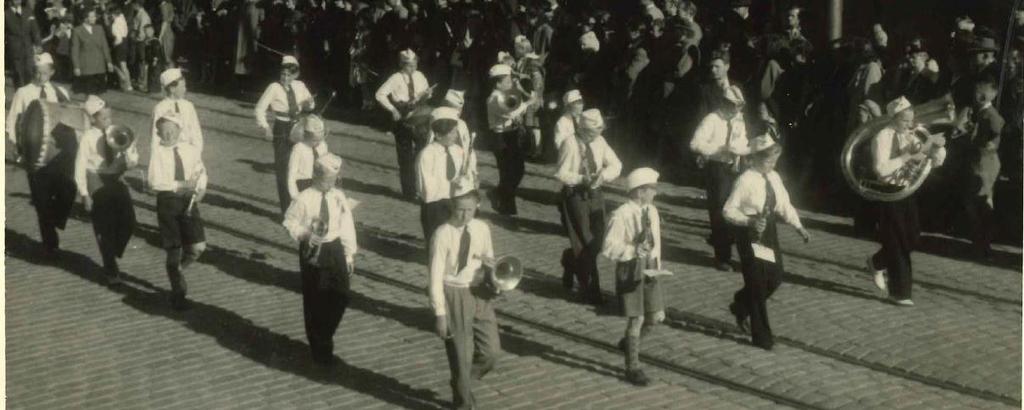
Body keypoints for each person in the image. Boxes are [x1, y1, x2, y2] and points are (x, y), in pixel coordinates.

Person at [724, 135, 810, 350]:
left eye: (774, 160)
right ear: (754, 159)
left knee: (774, 277)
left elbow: (784, 205)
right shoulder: (745, 180)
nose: (772, 165)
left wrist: (798, 226)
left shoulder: (774, 177)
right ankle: (762, 336)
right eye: (768, 161)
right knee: (756, 283)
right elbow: (728, 210)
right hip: (750, 234)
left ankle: (741, 304)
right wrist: (748, 221)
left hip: (768, 232)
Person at [865, 97, 946, 306]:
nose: (909, 126)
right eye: (904, 122)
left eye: (911, 121)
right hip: (888, 191)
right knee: (898, 240)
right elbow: (881, 170)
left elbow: (935, 162)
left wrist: (937, 149)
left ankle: (876, 262)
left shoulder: (911, 135)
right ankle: (900, 293)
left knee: (912, 237)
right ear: (893, 118)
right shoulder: (882, 137)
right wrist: (907, 157)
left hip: (908, 189)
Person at [428, 186, 500, 409]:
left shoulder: (481, 228)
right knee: (461, 354)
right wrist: (440, 314)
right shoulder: (442, 234)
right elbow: (434, 276)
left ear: (477, 207)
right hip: (455, 292)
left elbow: (489, 256)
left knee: (491, 353)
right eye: (460, 210)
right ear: (452, 206)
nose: (464, 216)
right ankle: (463, 401)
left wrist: (491, 269)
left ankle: (462, 381)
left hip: (479, 291)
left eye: (470, 210)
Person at [282, 153, 357, 366]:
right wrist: (306, 235)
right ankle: (319, 346)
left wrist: (349, 254)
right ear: (316, 176)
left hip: (334, 248)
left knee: (342, 295)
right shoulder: (304, 198)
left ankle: (324, 334)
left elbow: (346, 225)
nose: (332, 183)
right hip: (314, 248)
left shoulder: (338, 196)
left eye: (334, 179)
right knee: (316, 297)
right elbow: (289, 222)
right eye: (328, 179)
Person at [601, 167, 665, 386]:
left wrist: (656, 268)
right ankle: (633, 367)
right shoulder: (621, 215)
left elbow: (656, 243)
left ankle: (629, 343)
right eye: (652, 189)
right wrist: (631, 251)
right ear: (639, 192)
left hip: (649, 268)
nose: (655, 193)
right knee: (636, 318)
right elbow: (608, 247)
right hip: (630, 268)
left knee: (655, 316)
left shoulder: (652, 212)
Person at [555, 108, 621, 305]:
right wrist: (581, 178)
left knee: (598, 240)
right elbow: (561, 173)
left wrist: (604, 176)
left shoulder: (600, 141)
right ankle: (591, 290)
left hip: (596, 194)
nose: (596, 135)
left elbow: (617, 164)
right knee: (585, 241)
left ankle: (570, 259)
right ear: (582, 129)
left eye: (599, 131)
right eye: (592, 132)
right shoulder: (570, 143)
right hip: (576, 195)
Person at [74, 95, 139, 285]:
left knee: (129, 220)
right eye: (103, 118)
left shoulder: (115, 132)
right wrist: (84, 194)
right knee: (104, 226)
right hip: (96, 179)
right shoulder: (87, 137)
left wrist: (130, 157)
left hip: (115, 178)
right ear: (93, 119)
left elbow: (131, 160)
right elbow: (80, 166)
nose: (108, 122)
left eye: (109, 117)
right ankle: (110, 267)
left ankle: (113, 250)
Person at [149, 112, 208, 311]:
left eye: (172, 131)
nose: (168, 136)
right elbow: (154, 182)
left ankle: (177, 270)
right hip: (168, 202)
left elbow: (201, 171)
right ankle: (178, 292)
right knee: (174, 249)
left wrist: (201, 188)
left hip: (188, 201)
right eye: (164, 132)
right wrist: (182, 184)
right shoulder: (157, 152)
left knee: (198, 247)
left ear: (179, 131)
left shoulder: (190, 150)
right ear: (158, 133)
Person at [690, 85, 749, 271]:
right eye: (732, 105)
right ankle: (722, 256)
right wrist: (718, 150)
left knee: (737, 208)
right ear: (724, 103)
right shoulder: (712, 119)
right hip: (717, 169)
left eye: (739, 106)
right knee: (720, 211)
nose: (736, 110)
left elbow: (743, 140)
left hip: (735, 167)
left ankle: (730, 247)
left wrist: (739, 148)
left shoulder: (739, 120)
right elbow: (695, 143)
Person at [255, 55, 315, 215]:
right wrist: (265, 127)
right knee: (283, 170)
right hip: (281, 128)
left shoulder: (300, 86)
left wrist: (309, 103)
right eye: (283, 74)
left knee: (301, 167)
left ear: (296, 75)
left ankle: (301, 207)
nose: (285, 78)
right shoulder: (273, 87)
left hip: (299, 127)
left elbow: (312, 103)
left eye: (289, 75)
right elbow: (259, 108)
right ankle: (286, 210)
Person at [375, 49, 432, 200]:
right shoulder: (395, 78)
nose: (412, 69)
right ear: (401, 64)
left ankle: (422, 189)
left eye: (415, 65)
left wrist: (426, 94)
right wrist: (392, 109)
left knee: (422, 154)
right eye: (408, 66)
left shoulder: (420, 76)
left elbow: (427, 91)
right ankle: (409, 191)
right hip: (402, 117)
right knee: (405, 157)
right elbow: (379, 94)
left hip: (419, 117)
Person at [959, 78, 1004, 260]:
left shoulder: (991, 115)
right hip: (978, 163)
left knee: (981, 202)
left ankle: (982, 245)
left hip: (984, 164)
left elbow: (996, 129)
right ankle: (979, 244)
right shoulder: (981, 113)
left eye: (981, 92)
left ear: (988, 95)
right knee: (975, 203)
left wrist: (989, 142)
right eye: (977, 91)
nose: (977, 95)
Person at [416, 107, 472, 244]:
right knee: (436, 241)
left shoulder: (457, 151)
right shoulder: (427, 154)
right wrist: (450, 185)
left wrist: (464, 182)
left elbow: (463, 174)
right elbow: (427, 189)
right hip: (436, 205)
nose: (456, 136)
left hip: (454, 202)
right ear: (438, 135)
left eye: (455, 132)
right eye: (452, 133)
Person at [486, 63, 535, 216]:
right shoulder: (494, 98)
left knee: (518, 169)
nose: (510, 82)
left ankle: (500, 194)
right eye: (507, 80)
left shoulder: (504, 94)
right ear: (497, 82)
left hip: (511, 135)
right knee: (507, 172)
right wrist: (528, 103)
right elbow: (510, 113)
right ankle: (506, 206)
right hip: (500, 137)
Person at [7, 53, 72, 151]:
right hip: (31, 142)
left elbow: (69, 119)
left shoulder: (60, 92)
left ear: (52, 72)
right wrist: (15, 144)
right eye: (38, 72)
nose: (40, 77)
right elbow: (12, 119)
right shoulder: (23, 92)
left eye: (45, 73)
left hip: (55, 142)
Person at [151, 68, 203, 153]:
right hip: (167, 153)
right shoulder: (160, 109)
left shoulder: (189, 106)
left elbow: (196, 133)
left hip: (188, 152)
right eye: (183, 86)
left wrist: (196, 153)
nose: (185, 89)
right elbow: (155, 138)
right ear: (172, 89)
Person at [287, 115, 330, 204]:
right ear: (305, 136)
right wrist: (295, 196)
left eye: (320, 140)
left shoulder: (322, 145)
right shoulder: (299, 148)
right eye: (314, 140)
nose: (317, 143)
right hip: (303, 185)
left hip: (318, 184)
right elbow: (291, 175)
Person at [70, 7, 114, 95]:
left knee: (98, 95)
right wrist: (76, 67)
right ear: (85, 18)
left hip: (99, 67)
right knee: (89, 94)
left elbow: (104, 46)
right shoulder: (77, 31)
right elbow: (75, 51)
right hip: (86, 68)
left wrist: (109, 62)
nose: (95, 18)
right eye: (92, 16)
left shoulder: (99, 28)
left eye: (95, 16)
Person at [6, 0, 42, 88]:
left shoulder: (28, 12)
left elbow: (35, 30)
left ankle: (29, 96)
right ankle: (19, 96)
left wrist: (38, 44)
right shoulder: (5, 14)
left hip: (28, 48)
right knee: (18, 74)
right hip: (15, 50)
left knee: (29, 72)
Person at [109, 6, 133, 91]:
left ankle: (124, 80)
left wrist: (113, 45)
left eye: (111, 14)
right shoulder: (123, 20)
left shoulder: (115, 24)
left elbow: (118, 39)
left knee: (115, 64)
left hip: (119, 45)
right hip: (125, 43)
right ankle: (128, 85)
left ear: (113, 14)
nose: (110, 16)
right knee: (124, 65)